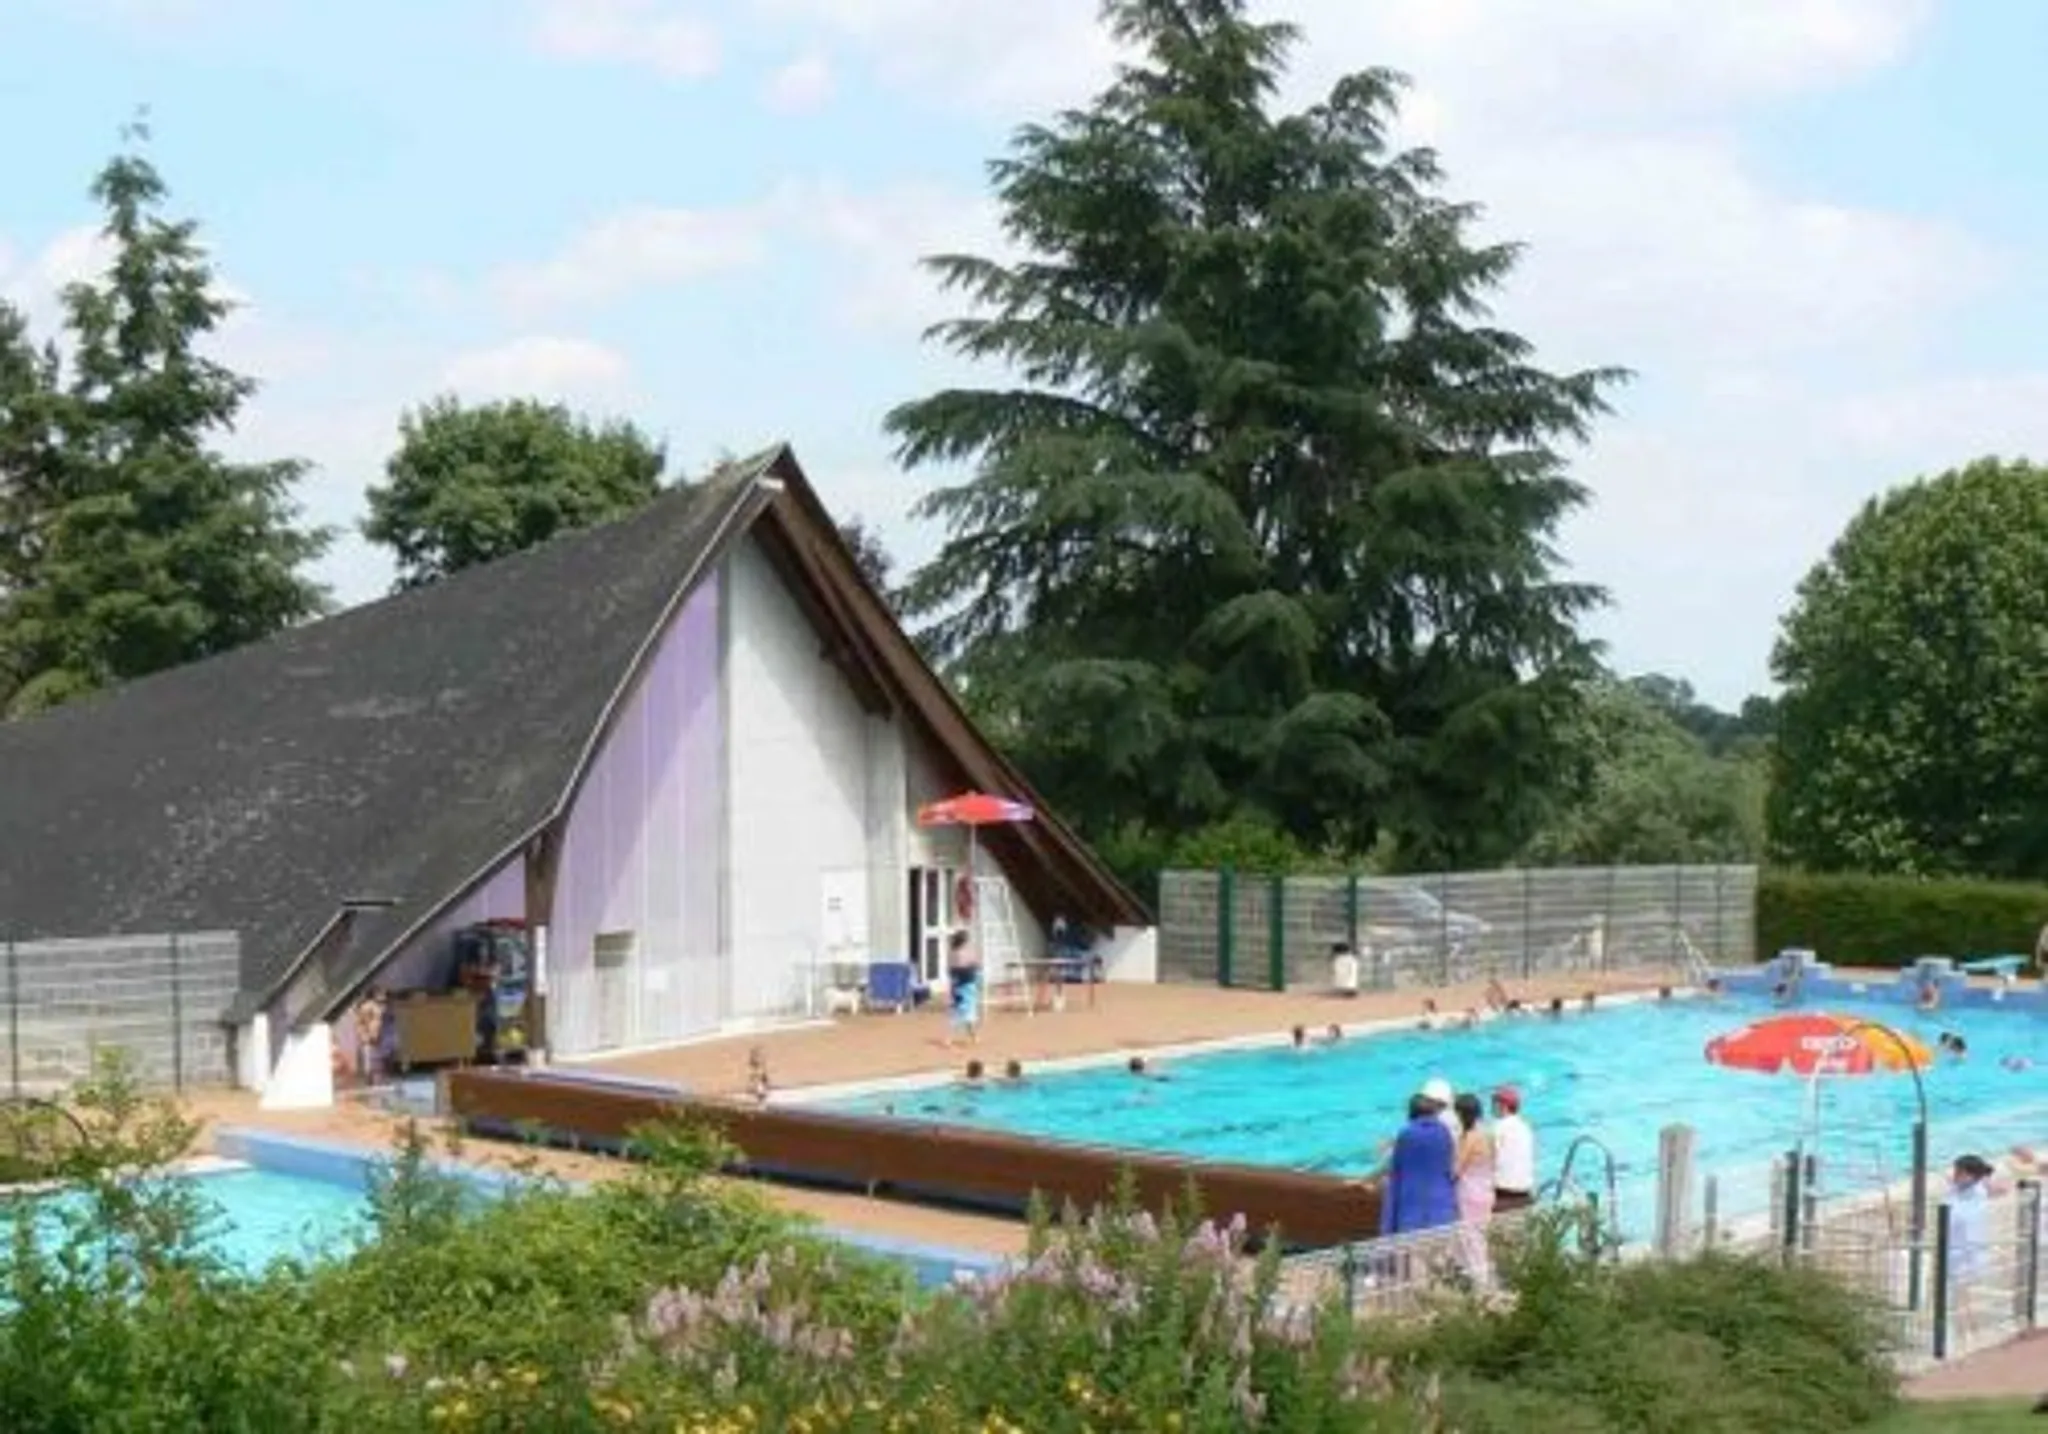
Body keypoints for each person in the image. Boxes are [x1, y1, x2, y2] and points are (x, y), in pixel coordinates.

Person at [1379, 1090, 1458, 1237]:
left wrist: (1387, 1226)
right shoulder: (1443, 1131)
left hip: (1412, 1211)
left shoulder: (1406, 1134)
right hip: (1442, 1208)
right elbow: (1450, 1166)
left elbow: (1396, 1174)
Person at [1452, 1092, 1496, 1282]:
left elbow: (1456, 1170)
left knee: (1471, 1239)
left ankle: (1479, 1283)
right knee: (1479, 1238)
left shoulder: (1471, 1137)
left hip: (1469, 1193)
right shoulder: (1488, 1133)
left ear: (1462, 1115)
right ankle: (1477, 1278)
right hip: (1486, 1190)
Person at [1490, 1085, 1536, 1214]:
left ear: (1503, 1106)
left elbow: (1490, 1159)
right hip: (1526, 1196)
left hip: (1504, 1198)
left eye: (1494, 1104)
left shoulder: (1498, 1128)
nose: (1491, 1108)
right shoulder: (1526, 1128)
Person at [944, 930, 982, 1047]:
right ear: (964, 941)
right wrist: (974, 964)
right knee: (967, 1012)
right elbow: (974, 965)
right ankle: (970, 1036)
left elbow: (950, 970)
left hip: (957, 985)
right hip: (966, 985)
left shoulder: (952, 952)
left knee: (958, 1012)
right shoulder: (962, 953)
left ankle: (972, 1036)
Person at [352, 987, 388, 1086]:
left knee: (378, 1060)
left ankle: (377, 1081)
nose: (384, 996)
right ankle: (369, 1082)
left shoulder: (381, 1007)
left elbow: (380, 1022)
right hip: (369, 1038)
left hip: (378, 1036)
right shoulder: (367, 1007)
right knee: (368, 1062)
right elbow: (360, 1022)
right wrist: (364, 1035)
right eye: (381, 993)